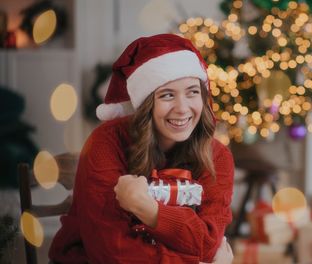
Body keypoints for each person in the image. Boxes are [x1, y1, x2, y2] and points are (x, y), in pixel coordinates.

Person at [49, 34, 234, 263]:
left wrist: (147, 208)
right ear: (145, 104)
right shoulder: (106, 143)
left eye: (192, 92)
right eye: (167, 95)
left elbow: (208, 243)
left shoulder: (217, 156)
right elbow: (112, 250)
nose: (182, 108)